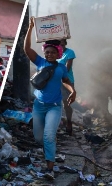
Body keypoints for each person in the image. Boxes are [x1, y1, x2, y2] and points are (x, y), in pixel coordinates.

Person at [23, 17, 76, 179]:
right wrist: (31, 28)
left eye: (53, 52)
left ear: (58, 53)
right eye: (47, 52)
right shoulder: (39, 62)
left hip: (54, 106)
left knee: (48, 135)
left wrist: (72, 91)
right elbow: (26, 48)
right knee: (38, 137)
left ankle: (50, 168)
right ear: (44, 52)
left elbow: (66, 81)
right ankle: (49, 152)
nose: (50, 54)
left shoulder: (61, 68)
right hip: (38, 106)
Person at [57, 39, 76, 136]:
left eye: (62, 45)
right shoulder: (53, 52)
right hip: (55, 81)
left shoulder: (69, 53)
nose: (61, 47)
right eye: (59, 45)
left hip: (67, 81)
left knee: (66, 104)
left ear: (65, 44)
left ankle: (69, 122)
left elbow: (67, 68)